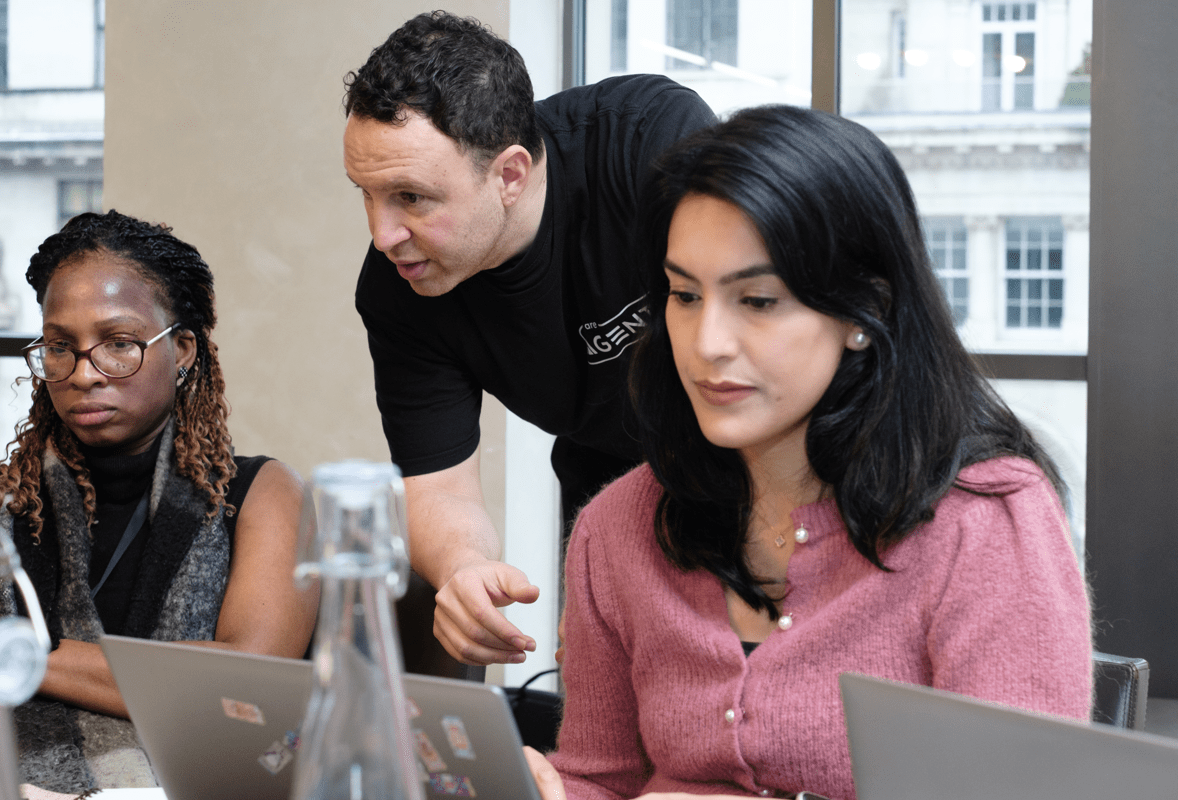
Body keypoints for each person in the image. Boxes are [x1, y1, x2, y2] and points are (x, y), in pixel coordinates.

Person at [523, 106, 1093, 800]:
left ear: (862, 311)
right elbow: (602, 780)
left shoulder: (986, 521)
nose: (707, 344)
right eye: (684, 295)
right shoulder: (618, 527)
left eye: (758, 301)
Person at [345, 11, 717, 667]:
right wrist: (464, 569)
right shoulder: (399, 288)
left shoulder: (647, 145)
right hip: (607, 479)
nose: (383, 234)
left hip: (754, 460)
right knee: (608, 704)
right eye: (366, 195)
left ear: (510, 175)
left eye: (411, 197)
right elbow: (440, 487)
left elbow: (762, 335)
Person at [0, 210, 320, 793]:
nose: (84, 374)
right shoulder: (2, 507)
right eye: (61, 346)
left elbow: (250, 679)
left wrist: (14, 657)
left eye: (119, 344)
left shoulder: (262, 494)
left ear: (183, 349)